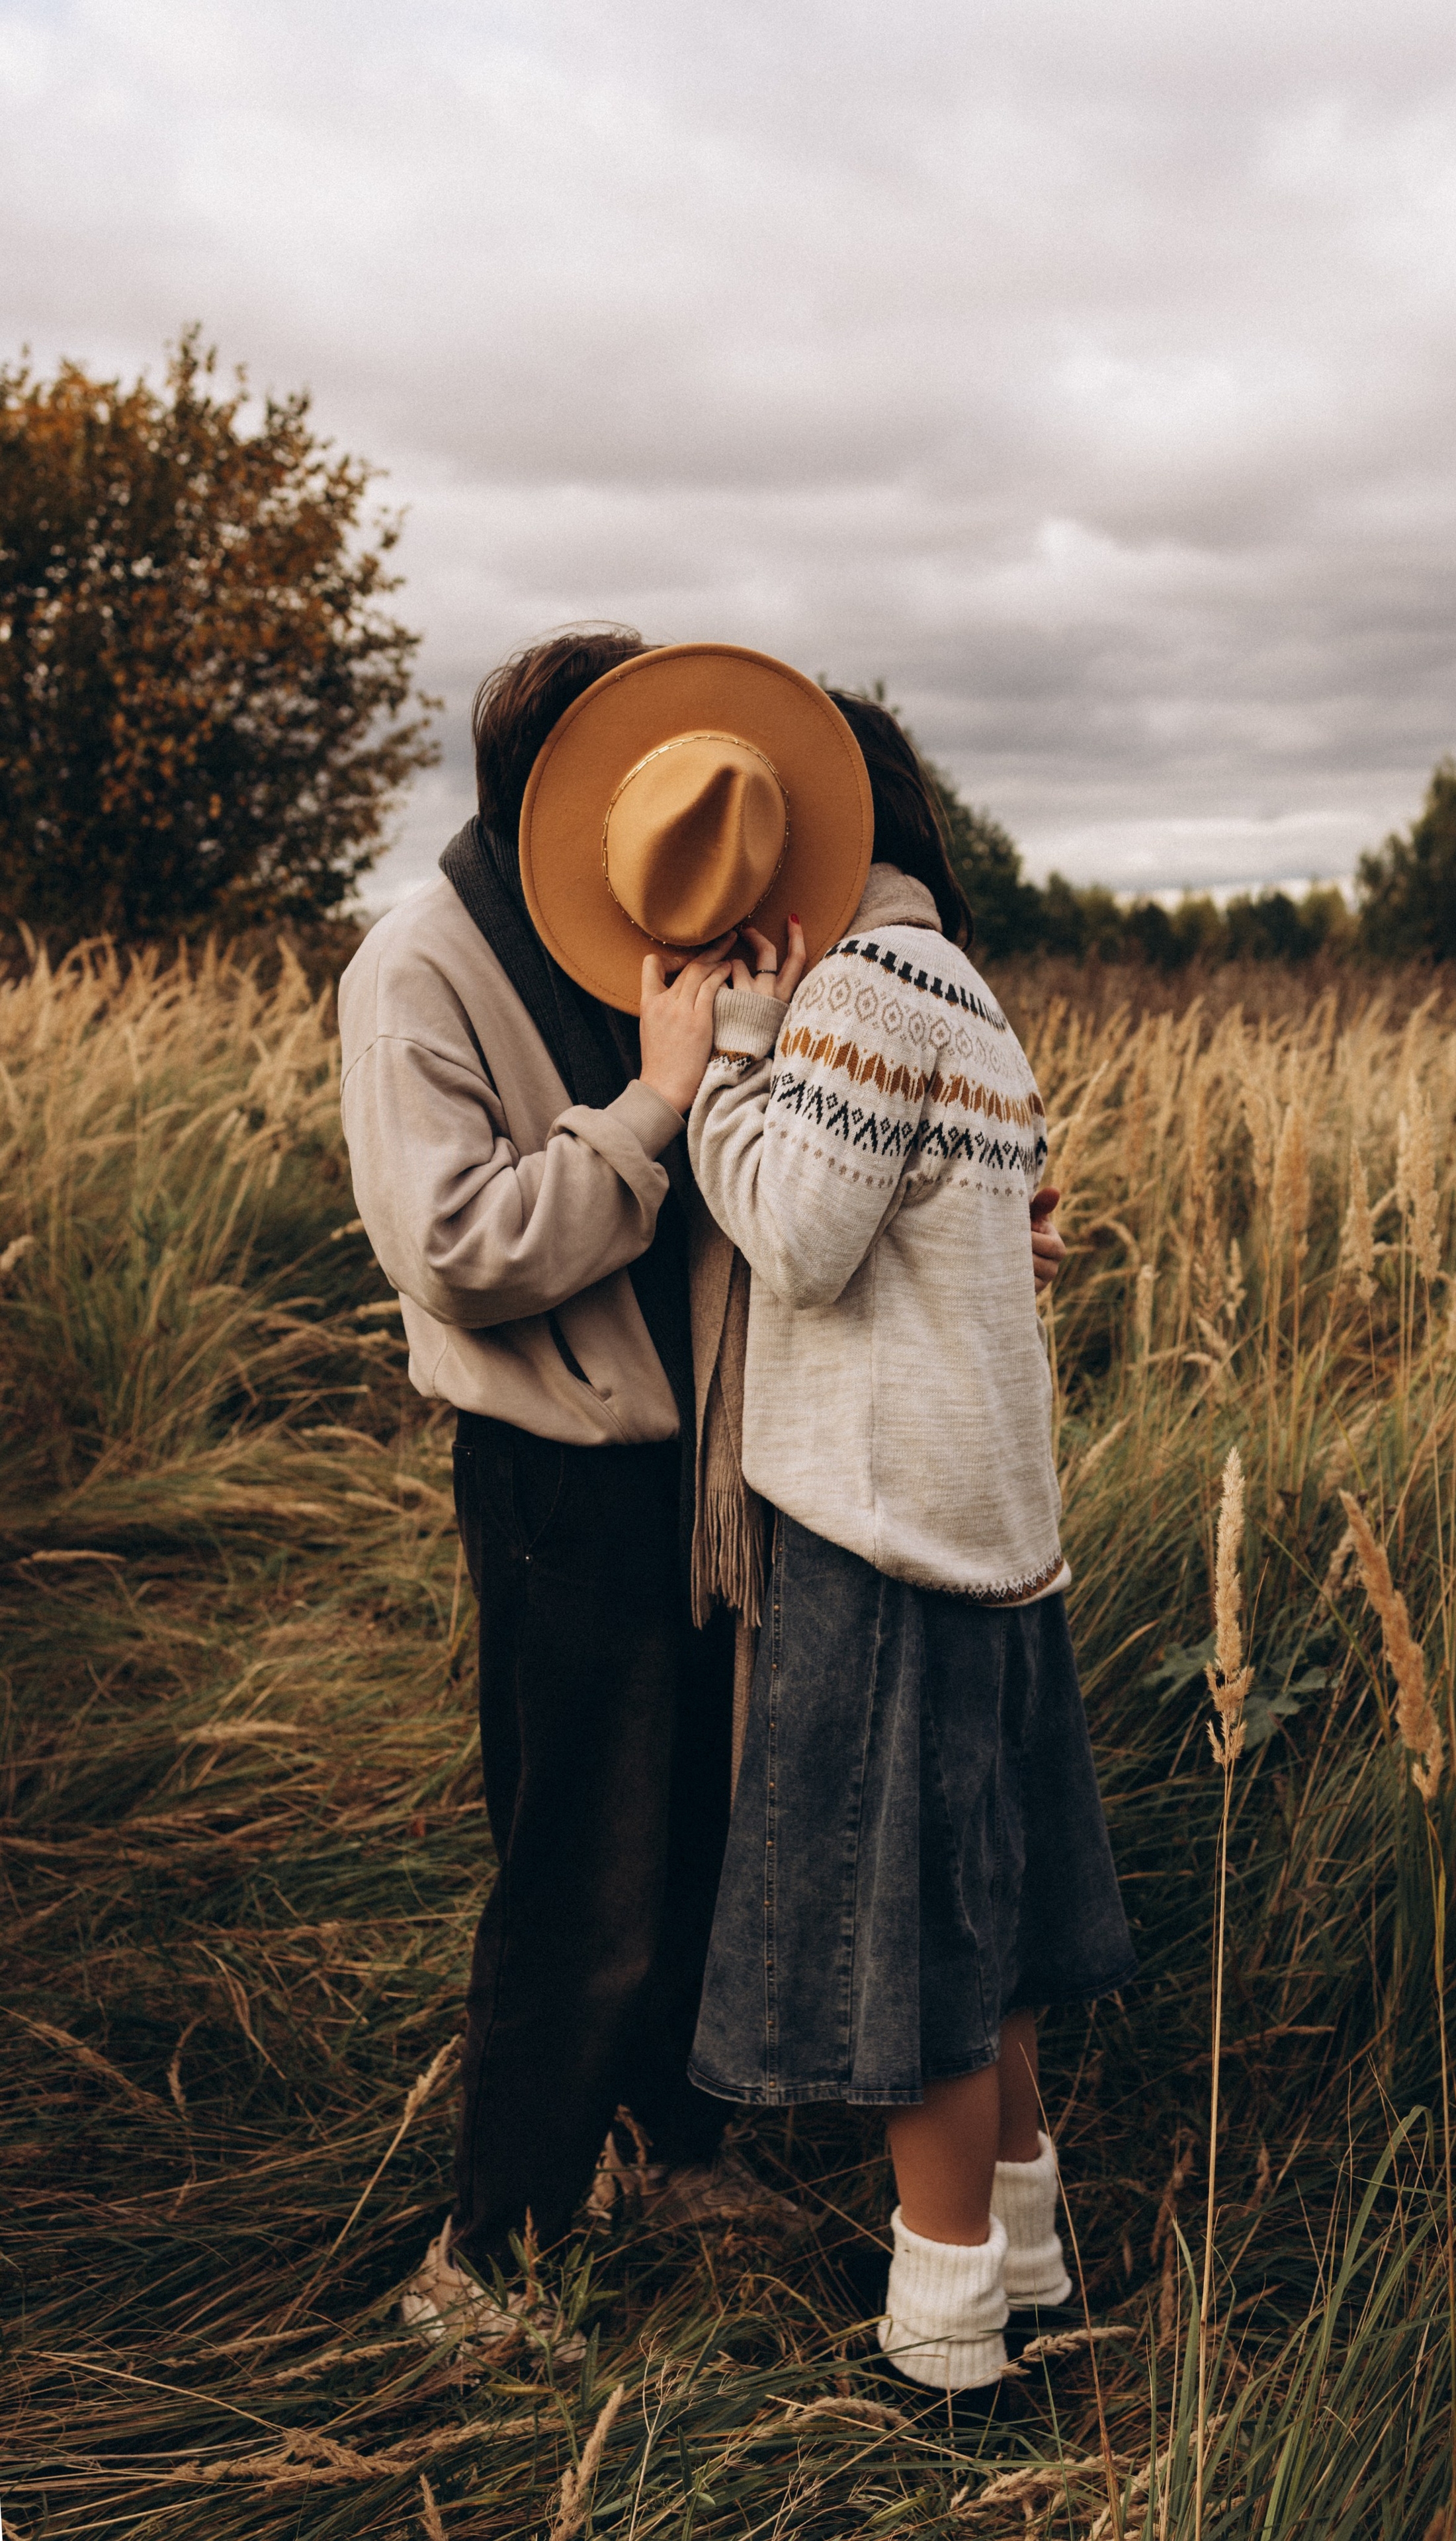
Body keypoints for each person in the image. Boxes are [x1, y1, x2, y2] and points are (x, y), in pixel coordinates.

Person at [336, 631, 1068, 2337]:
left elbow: (820, 1179)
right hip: (564, 1472)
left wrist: (974, 1227)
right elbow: (457, 1249)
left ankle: (674, 2146)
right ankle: (494, 2254)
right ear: (545, 810)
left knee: (708, 1831)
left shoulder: (683, 924)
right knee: (575, 1865)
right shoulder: (420, 969)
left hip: (736, 1469)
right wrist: (658, 1101)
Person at [683, 690, 1136, 2415]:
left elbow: (798, 1243)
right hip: (990, 1531)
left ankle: (945, 2359)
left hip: (894, 1536)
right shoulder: (969, 993)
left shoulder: (862, 994)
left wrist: (724, 1056)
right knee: (986, 1933)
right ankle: (1026, 2275)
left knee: (917, 1959)